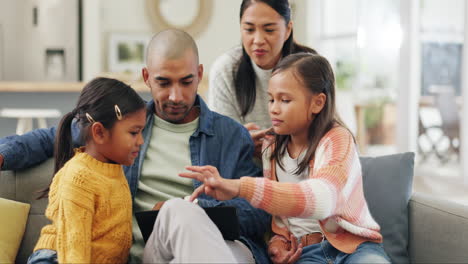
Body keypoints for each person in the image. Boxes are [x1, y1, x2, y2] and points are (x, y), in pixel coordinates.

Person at [0, 29, 270, 264]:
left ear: (199, 74)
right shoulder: (120, 125)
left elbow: (259, 213)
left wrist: (199, 208)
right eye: (164, 82)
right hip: (154, 254)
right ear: (146, 77)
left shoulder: (231, 136)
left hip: (220, 248)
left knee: (179, 211)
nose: (176, 96)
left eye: (186, 81)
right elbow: (51, 137)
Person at [181, 53, 391, 264]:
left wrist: (240, 187)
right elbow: (278, 217)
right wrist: (277, 242)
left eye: (285, 100)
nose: (273, 108)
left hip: (353, 248)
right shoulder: (271, 148)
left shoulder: (337, 140)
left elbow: (323, 199)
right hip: (303, 254)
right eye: (271, 99)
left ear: (317, 103)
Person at [27, 77, 146, 264]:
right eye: (133, 133)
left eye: (141, 132)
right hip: (58, 257)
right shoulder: (78, 177)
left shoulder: (114, 169)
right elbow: (73, 249)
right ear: (99, 133)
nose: (140, 141)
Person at [208, 0, 316, 155]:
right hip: (244, 170)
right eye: (249, 29)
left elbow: (328, 131)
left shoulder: (310, 67)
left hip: (301, 166)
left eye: (269, 30)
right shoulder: (225, 70)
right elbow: (220, 141)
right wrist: (239, 142)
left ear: (288, 30)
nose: (258, 40)